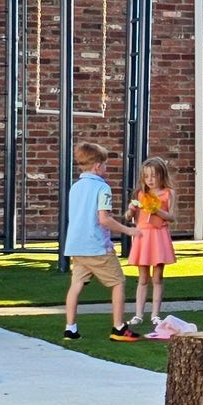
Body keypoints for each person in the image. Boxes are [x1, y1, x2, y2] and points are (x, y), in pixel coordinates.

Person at [61, 142, 142, 343]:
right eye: (105, 165)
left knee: (76, 284)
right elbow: (103, 219)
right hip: (96, 246)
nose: (106, 168)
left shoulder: (76, 187)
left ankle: (70, 328)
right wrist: (129, 230)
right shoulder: (102, 187)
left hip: (76, 246)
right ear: (97, 166)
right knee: (118, 282)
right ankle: (119, 327)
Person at [127, 157, 176, 328]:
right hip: (143, 237)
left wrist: (158, 211)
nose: (150, 180)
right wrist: (131, 209)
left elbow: (171, 216)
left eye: (154, 176)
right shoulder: (140, 194)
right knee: (142, 278)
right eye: (147, 176)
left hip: (159, 236)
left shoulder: (167, 193)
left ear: (162, 176)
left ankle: (155, 314)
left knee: (157, 277)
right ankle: (138, 314)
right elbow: (130, 217)